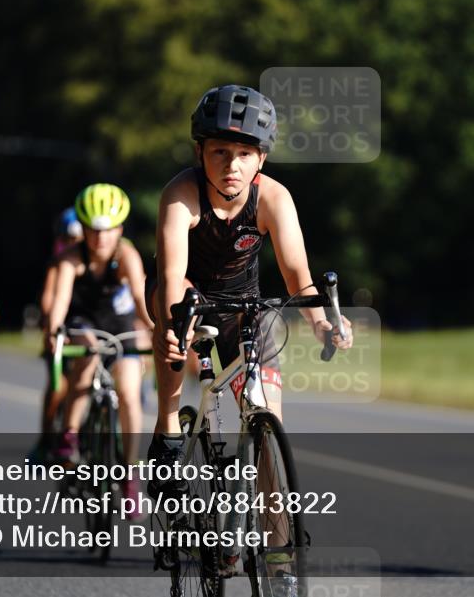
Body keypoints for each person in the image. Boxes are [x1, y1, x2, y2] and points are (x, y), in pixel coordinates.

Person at [148, 84, 354, 489]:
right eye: (220, 152)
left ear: (261, 157)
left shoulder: (274, 198)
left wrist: (320, 323)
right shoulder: (180, 195)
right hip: (187, 295)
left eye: (244, 154)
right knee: (175, 316)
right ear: (199, 153)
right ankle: (168, 425)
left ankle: (277, 547)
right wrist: (173, 326)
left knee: (266, 417)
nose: (232, 165)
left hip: (245, 306)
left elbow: (298, 273)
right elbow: (171, 275)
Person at [44, 184, 153, 505]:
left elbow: (139, 296)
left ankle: (130, 474)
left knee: (130, 393)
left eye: (107, 231)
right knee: (87, 353)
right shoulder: (71, 258)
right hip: (85, 324)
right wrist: (53, 331)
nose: (100, 239)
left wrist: (156, 329)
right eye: (92, 230)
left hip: (121, 326)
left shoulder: (127, 255)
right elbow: (60, 300)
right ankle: (71, 434)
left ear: (119, 229)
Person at [31, 207, 85, 460]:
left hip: (95, 330)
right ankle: (45, 439)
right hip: (65, 330)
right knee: (58, 388)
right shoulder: (58, 265)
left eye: (77, 238)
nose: (72, 243)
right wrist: (51, 326)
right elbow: (48, 300)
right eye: (67, 238)